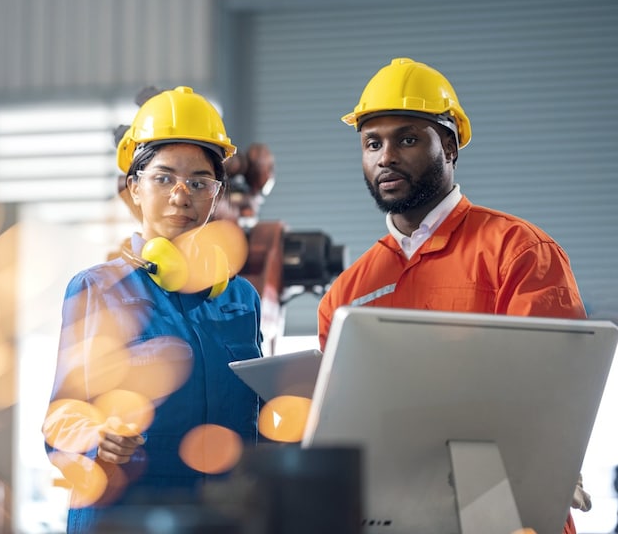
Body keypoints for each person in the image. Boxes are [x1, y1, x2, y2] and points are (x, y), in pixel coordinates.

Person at [318, 57, 588, 534]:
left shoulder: (518, 250)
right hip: (393, 516)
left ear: (448, 145)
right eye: (372, 143)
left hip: (508, 513)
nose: (386, 157)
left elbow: (554, 392)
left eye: (407, 138)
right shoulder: (347, 293)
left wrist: (551, 458)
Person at [43, 86, 263, 533]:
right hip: (123, 516)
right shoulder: (97, 290)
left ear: (216, 194)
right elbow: (62, 417)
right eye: (163, 178)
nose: (182, 196)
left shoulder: (241, 298)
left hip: (218, 517)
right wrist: (95, 441)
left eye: (199, 182)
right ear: (134, 189)